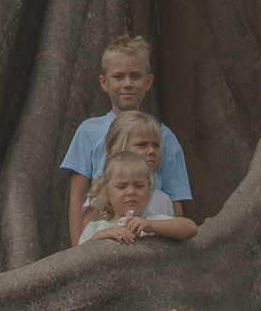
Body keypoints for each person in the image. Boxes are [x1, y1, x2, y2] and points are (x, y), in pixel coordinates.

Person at [61, 34, 191, 247]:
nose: (128, 84)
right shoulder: (88, 132)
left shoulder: (164, 137)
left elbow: (175, 200)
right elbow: (78, 197)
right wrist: (78, 251)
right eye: (119, 77)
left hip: (153, 239)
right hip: (105, 238)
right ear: (104, 82)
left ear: (149, 81)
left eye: (136, 76)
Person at [76, 110, 173, 236]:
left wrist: (151, 226)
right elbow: (86, 243)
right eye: (142, 145)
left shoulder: (163, 200)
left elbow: (183, 233)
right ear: (116, 151)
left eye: (156, 145)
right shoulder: (100, 199)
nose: (151, 151)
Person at [78, 152, 197, 245]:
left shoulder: (153, 221)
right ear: (106, 194)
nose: (131, 192)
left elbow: (191, 228)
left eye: (139, 186)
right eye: (121, 186)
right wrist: (97, 238)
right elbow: (78, 260)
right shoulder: (95, 228)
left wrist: (150, 226)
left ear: (149, 191)